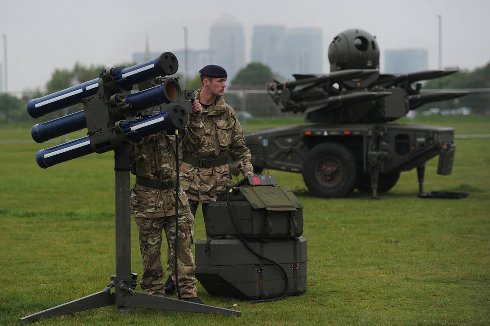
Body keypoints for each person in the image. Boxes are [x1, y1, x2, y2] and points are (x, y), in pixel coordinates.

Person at [164, 64, 254, 294]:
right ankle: (176, 277)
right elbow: (172, 142)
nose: (224, 85)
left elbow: (240, 149)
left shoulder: (227, 113)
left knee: (222, 233)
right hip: (188, 179)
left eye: (225, 80)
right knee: (181, 233)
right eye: (219, 81)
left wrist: (250, 176)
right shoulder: (183, 107)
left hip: (219, 182)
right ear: (205, 81)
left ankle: (223, 276)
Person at [130, 129, 202, 304]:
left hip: (175, 197)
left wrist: (195, 114)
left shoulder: (176, 122)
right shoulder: (135, 127)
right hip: (148, 198)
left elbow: (196, 142)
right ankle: (154, 294)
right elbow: (128, 160)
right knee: (151, 250)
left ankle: (187, 293)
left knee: (183, 246)